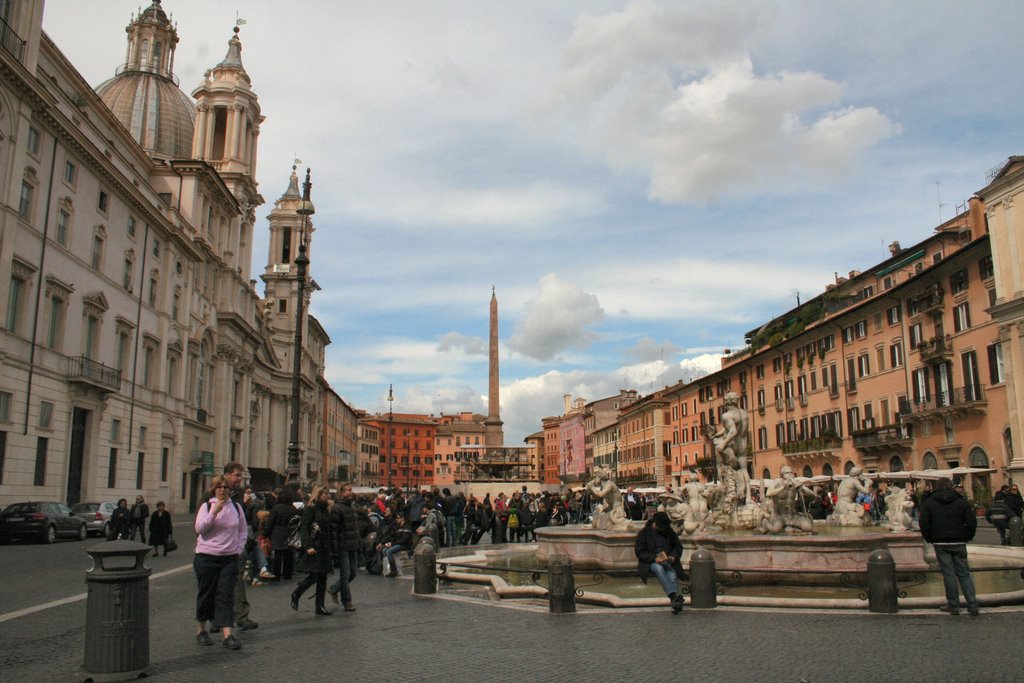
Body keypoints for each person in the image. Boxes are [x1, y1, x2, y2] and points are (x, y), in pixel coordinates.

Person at [193, 475, 248, 650]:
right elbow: (200, 529)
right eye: (219, 487)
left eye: (225, 487)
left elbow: (243, 532)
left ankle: (228, 634)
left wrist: (238, 550)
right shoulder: (206, 506)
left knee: (226, 596)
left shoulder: (237, 508)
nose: (223, 490)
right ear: (214, 489)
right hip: (206, 557)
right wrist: (213, 512)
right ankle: (201, 630)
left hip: (228, 559)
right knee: (206, 594)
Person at [920, 477, 979, 616]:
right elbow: (971, 522)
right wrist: (967, 536)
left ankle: (953, 605)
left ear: (937, 487)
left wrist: (930, 538)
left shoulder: (929, 502)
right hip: (959, 541)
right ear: (951, 486)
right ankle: (973, 604)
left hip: (940, 542)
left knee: (948, 574)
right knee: (964, 573)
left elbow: (924, 523)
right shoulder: (961, 501)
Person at [223, 462, 258, 632]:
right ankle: (217, 618)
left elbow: (248, 520)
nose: (240, 479)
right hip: (218, 545)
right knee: (218, 582)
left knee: (236, 580)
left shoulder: (241, 494)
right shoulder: (215, 491)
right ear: (228, 475)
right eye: (237, 475)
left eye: (241, 476)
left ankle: (241, 616)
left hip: (236, 544)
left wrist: (250, 506)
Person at [290, 485, 334, 616]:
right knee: (315, 575)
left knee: (322, 577)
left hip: (324, 546)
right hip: (314, 546)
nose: (328, 496)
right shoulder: (310, 510)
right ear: (318, 495)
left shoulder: (325, 510)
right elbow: (304, 528)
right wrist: (308, 546)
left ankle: (320, 606)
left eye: (328, 493)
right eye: (325, 494)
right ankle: (297, 593)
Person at [634, 511, 685, 614]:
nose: (664, 529)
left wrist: (673, 557)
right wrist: (654, 558)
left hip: (667, 560)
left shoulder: (668, 531)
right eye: (662, 527)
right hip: (650, 562)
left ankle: (674, 602)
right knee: (659, 568)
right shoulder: (644, 533)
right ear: (655, 523)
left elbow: (678, 546)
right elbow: (639, 552)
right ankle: (674, 595)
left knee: (671, 573)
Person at [328, 483, 360, 612]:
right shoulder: (337, 508)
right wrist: (335, 549)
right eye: (348, 490)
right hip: (343, 545)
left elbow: (355, 528)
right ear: (341, 493)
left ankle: (334, 589)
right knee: (346, 574)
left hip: (352, 544)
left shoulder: (351, 507)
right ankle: (347, 601)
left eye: (351, 490)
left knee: (353, 573)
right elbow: (334, 531)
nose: (351, 492)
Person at [264, 488, 298, 581]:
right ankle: (288, 574)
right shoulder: (293, 509)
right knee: (288, 555)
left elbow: (270, 522)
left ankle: (276, 574)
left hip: (277, 533)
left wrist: (265, 533)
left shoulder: (276, 508)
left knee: (278, 556)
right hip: (290, 533)